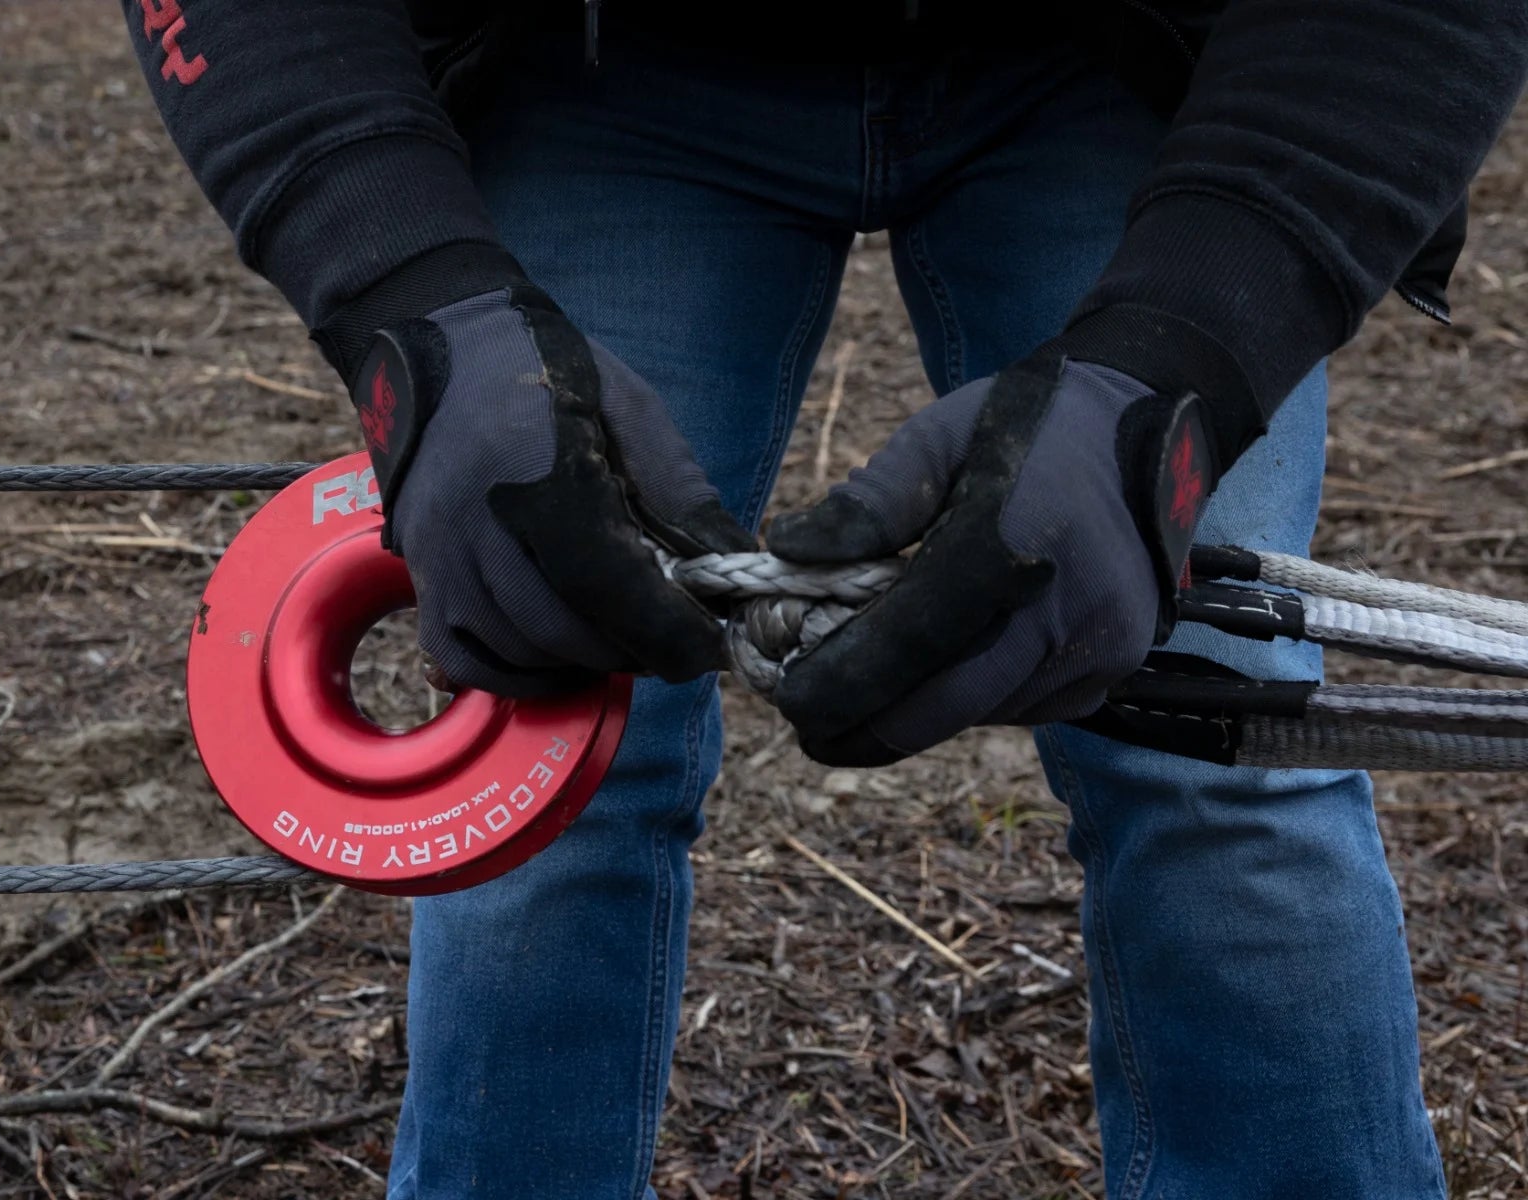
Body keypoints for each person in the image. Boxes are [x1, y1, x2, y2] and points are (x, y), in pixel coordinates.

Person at [121, 2, 1528, 1195]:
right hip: (615, 66)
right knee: (543, 737)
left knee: (1215, 748)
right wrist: (414, 305)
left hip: (1109, 51)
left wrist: (1173, 375)